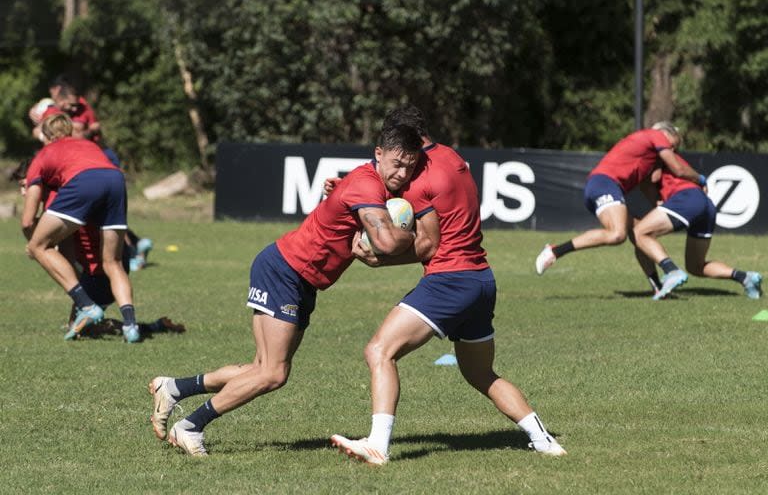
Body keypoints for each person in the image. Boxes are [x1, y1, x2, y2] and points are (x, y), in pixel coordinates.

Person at [147, 122, 423, 456]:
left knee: (261, 367)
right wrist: (414, 236)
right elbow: (388, 240)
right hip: (286, 271)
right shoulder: (367, 185)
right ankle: (190, 426)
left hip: (296, 275)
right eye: (398, 163)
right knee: (273, 373)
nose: (403, 172)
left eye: (410, 166)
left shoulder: (367, 180)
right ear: (378, 154)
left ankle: (174, 387)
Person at [329, 105, 566, 465]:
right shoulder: (452, 157)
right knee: (480, 373)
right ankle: (543, 439)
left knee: (379, 351)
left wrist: (379, 259)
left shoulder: (421, 179)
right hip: (481, 279)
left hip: (450, 280)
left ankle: (378, 444)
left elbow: (428, 245)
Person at [20, 113, 140, 343]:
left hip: (84, 181)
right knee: (113, 262)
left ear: (45, 135)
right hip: (115, 180)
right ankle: (130, 326)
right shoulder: (88, 145)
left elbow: (27, 221)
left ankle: (86, 306)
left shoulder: (44, 154)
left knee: (38, 246)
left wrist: (34, 245)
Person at [535, 122, 706, 281]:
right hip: (604, 183)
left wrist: (659, 205)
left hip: (606, 186)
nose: (673, 150)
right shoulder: (655, 135)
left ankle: (658, 285)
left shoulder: (648, 157)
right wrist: (700, 179)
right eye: (673, 145)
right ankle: (554, 251)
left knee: (640, 232)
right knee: (617, 234)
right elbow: (678, 168)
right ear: (665, 133)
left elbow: (648, 184)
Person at [633, 153, 762, 300]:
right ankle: (745, 277)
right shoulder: (673, 157)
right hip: (705, 204)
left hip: (685, 198)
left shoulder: (656, 154)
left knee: (639, 233)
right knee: (696, 265)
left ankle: (671, 270)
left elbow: (653, 177)